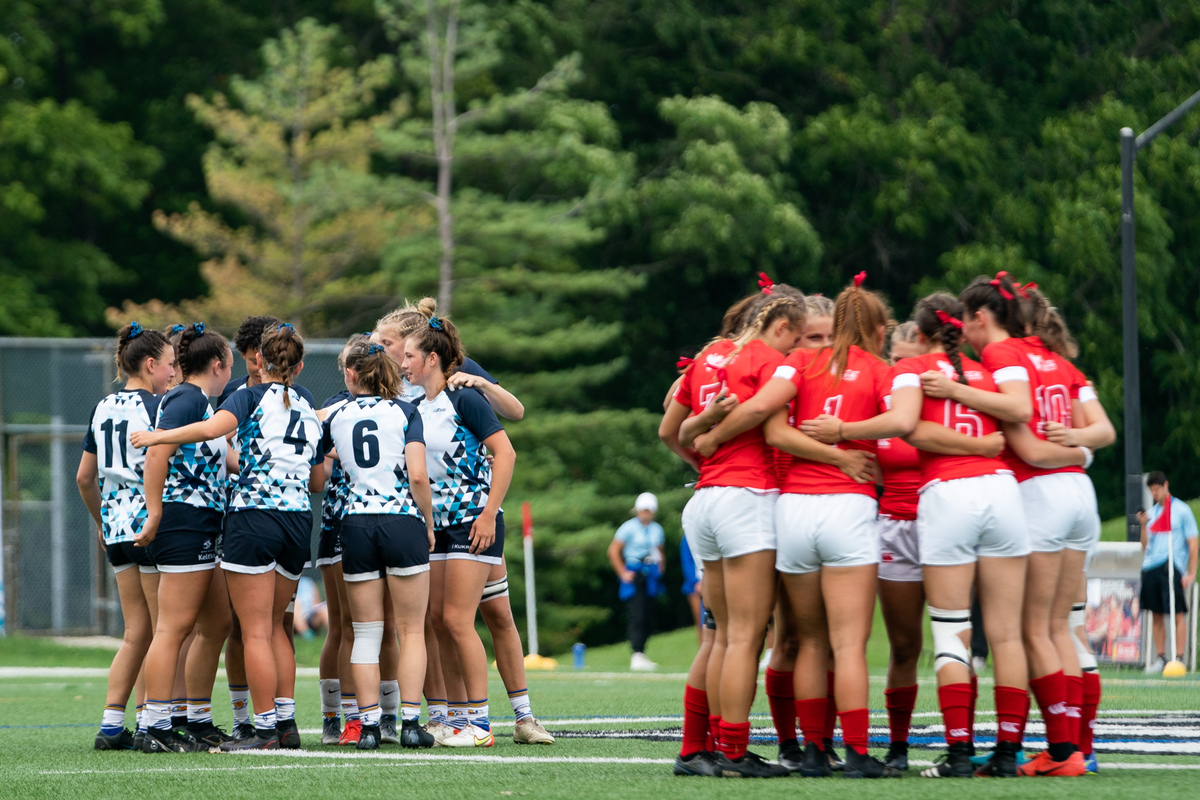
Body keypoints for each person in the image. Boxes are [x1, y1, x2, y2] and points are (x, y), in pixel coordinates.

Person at [133, 323, 325, 752]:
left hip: (254, 518)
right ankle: (287, 722)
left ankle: (264, 729)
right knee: (277, 627)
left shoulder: (248, 395)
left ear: (258, 361)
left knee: (254, 630)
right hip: (298, 520)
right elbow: (317, 479)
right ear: (299, 364)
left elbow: (208, 431)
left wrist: (159, 436)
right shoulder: (309, 407)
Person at [669, 289, 809, 778]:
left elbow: (673, 425)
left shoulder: (710, 356)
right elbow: (760, 415)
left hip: (705, 497)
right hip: (747, 497)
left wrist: (702, 438)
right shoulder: (772, 360)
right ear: (785, 326)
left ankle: (695, 750)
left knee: (722, 636)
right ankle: (731, 752)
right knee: (745, 637)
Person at [402, 313, 516, 749]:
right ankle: (454, 717)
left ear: (432, 359)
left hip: (474, 522)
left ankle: (481, 724)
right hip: (438, 526)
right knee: (435, 620)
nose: (404, 364)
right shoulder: (416, 407)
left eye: (410, 356)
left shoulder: (463, 397)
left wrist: (488, 515)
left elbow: (505, 454)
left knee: (456, 620)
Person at [322, 340, 436, 750]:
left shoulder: (335, 415)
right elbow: (418, 477)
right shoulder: (407, 411)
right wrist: (429, 521)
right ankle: (408, 723)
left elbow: (319, 470)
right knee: (410, 631)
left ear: (352, 374)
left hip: (354, 524)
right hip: (400, 520)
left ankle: (367, 727)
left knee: (365, 634)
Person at [134, 323, 234, 753]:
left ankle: (195, 719)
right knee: (172, 628)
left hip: (204, 522)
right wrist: (154, 511)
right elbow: (157, 450)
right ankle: (153, 726)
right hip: (184, 521)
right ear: (218, 365)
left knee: (216, 624)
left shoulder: (203, 405)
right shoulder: (188, 397)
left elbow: (225, 459)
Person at [77, 323, 174, 750]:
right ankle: (154, 724)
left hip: (115, 525)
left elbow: (83, 477)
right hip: (148, 523)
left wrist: (101, 521)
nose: (174, 373)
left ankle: (112, 725)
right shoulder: (159, 406)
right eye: (170, 365)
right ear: (150, 364)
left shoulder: (103, 406)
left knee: (136, 632)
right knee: (161, 629)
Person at [1138, 471, 1198, 672]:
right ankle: (1161, 657)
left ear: (1165, 486)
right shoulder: (1152, 513)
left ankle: (1179, 658)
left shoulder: (1181, 510)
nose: (1154, 493)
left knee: (1177, 612)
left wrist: (1191, 572)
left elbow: (1193, 542)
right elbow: (1144, 546)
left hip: (1171, 566)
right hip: (1150, 567)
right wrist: (1143, 526)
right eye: (1151, 490)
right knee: (1156, 614)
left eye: (1157, 489)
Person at [609, 492, 666, 670]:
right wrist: (622, 573)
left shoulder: (657, 529)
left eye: (648, 510)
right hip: (634, 573)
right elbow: (613, 551)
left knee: (649, 614)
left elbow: (660, 551)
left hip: (650, 574)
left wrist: (661, 568)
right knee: (637, 614)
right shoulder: (628, 527)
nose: (645, 513)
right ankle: (636, 653)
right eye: (643, 510)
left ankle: (643, 651)